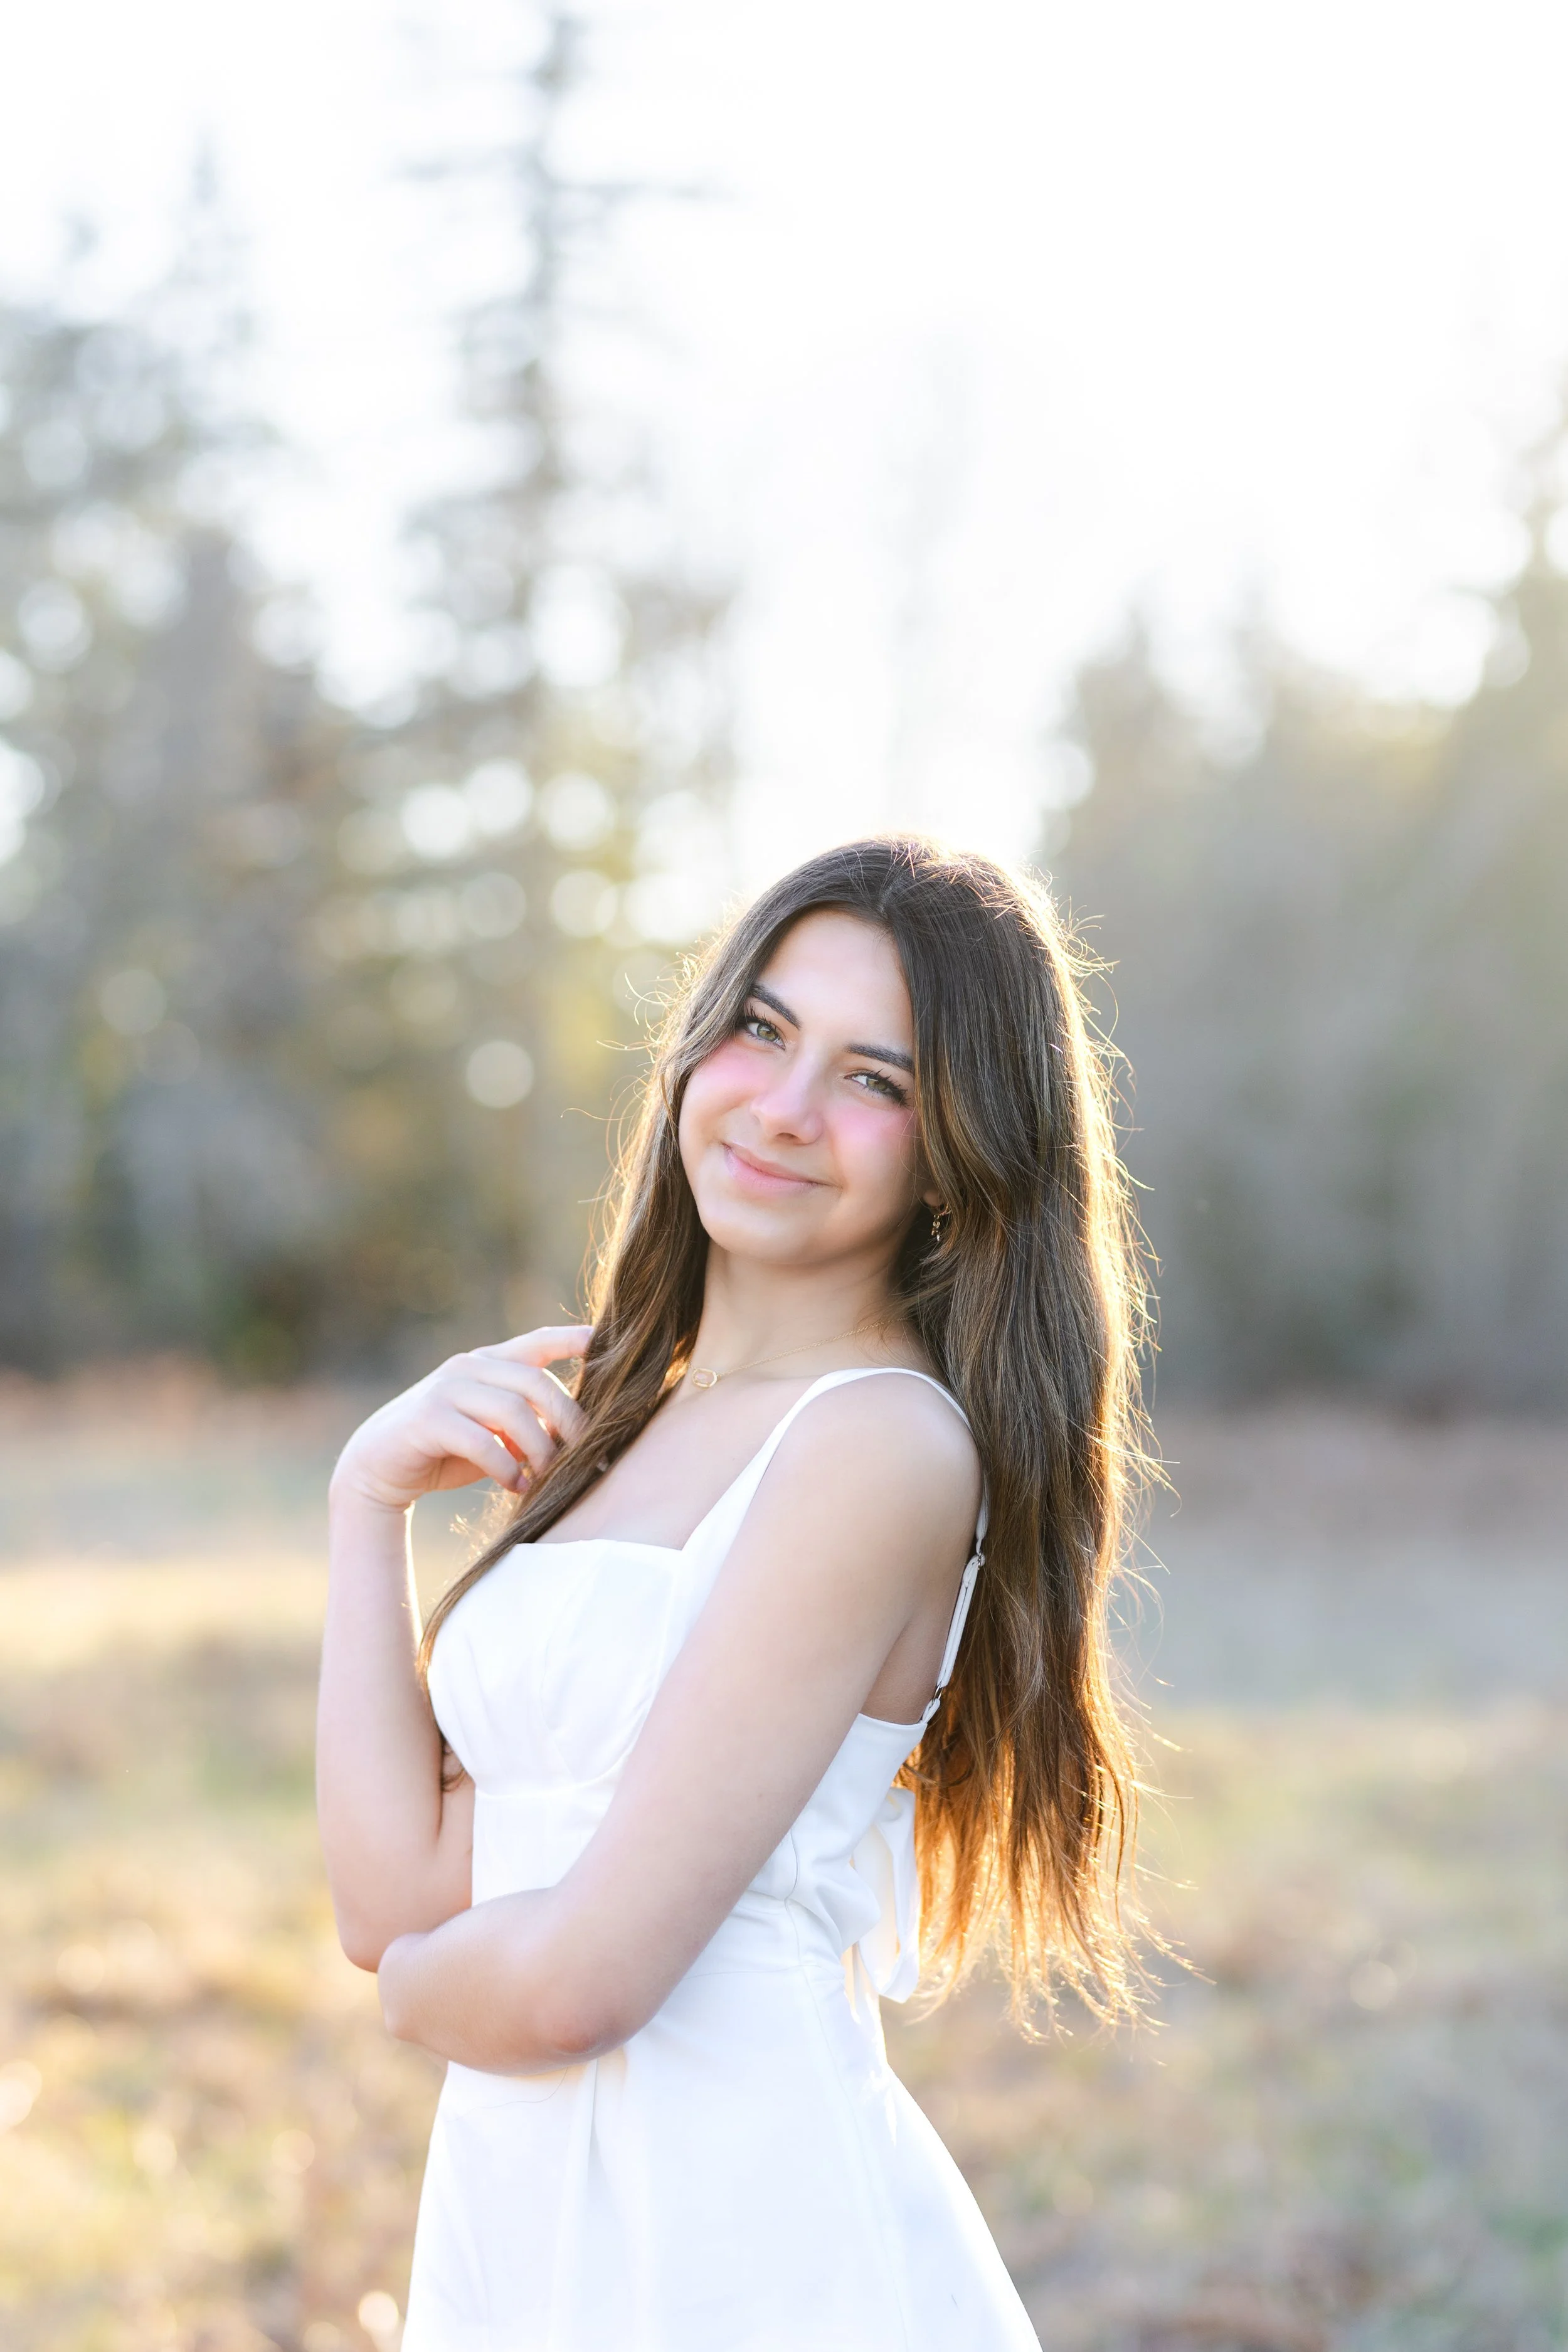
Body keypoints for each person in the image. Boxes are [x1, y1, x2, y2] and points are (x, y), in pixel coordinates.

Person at [317, 834, 1149, 2351]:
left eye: (871, 1080)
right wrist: (364, 1504)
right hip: (526, 2203)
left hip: (736, 2229)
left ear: (956, 1149)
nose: (782, 1107)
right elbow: (393, 1897)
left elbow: (581, 1980)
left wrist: (412, 1998)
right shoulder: (628, 1416)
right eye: (761, 1031)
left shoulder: (881, 1445)